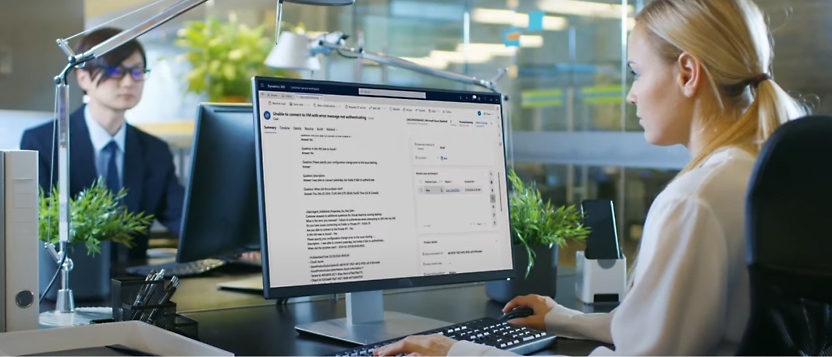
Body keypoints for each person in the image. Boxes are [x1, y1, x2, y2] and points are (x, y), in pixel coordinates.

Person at [374, 0, 809, 355]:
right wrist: (565, 318)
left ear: (687, 73)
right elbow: (666, 330)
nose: (631, 94)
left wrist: (458, 352)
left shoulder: (696, 200)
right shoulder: (762, 172)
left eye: (637, 73)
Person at [20, 27, 185, 263]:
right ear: (83, 77)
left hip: (135, 287)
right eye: (115, 70)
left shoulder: (154, 150)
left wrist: (237, 245)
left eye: (137, 71)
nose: (129, 82)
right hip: (69, 280)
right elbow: (38, 227)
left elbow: (182, 216)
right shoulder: (44, 142)